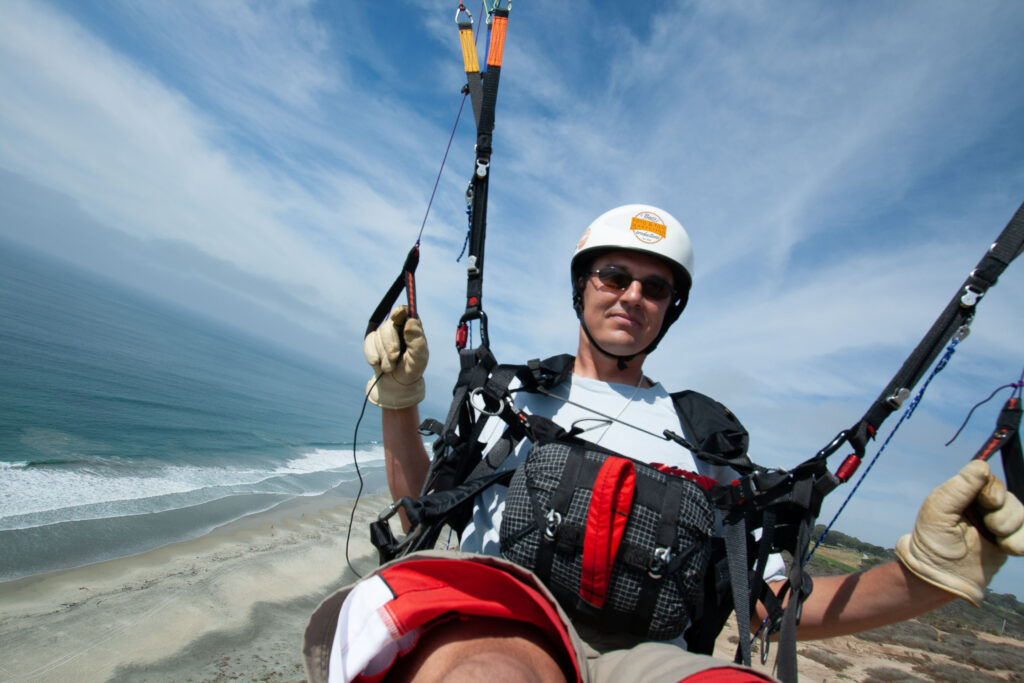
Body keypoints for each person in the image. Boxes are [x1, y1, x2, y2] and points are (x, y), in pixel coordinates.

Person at [304, 205, 1024, 683]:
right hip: (504, 621)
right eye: (614, 275)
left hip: (650, 660)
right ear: (583, 286)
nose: (631, 296)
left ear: (670, 309)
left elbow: (773, 606)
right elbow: (419, 507)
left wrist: (927, 575)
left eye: (654, 288)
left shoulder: (710, 444)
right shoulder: (515, 398)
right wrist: (400, 400)